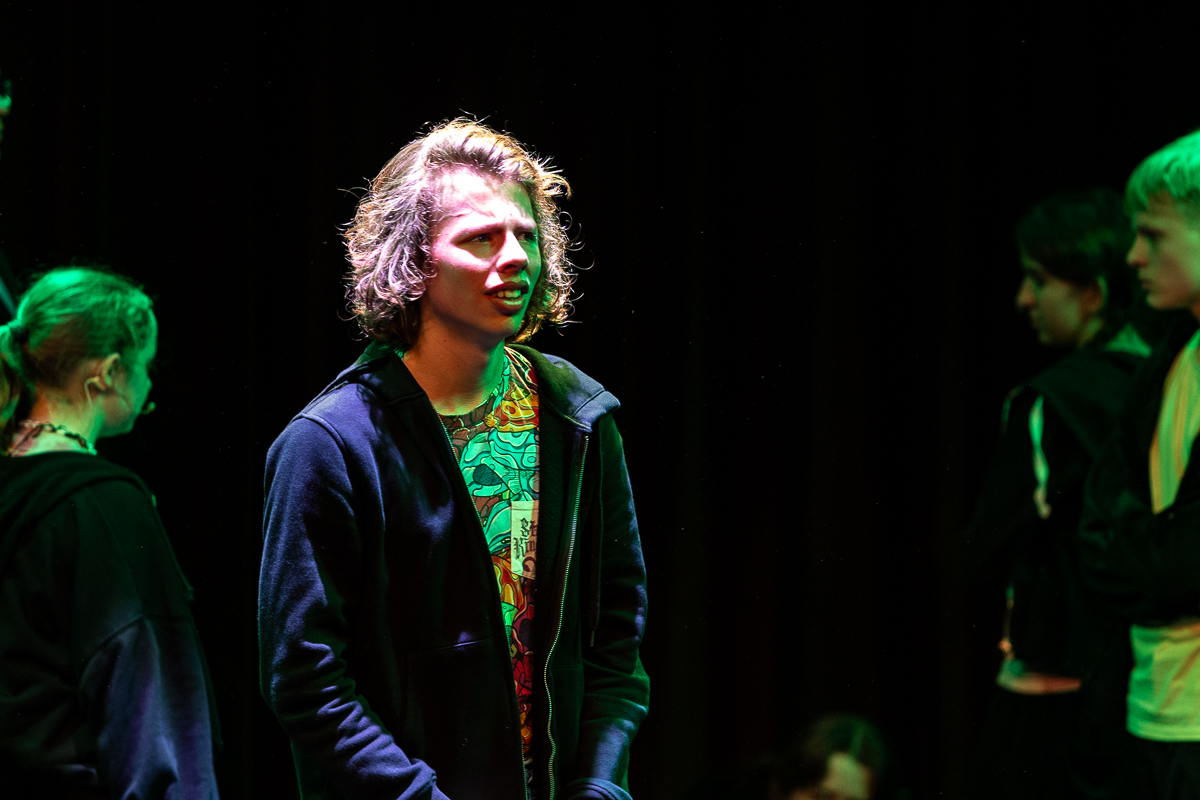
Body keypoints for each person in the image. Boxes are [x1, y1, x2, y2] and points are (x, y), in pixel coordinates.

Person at [259, 119, 649, 800]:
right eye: (481, 238)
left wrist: (597, 785)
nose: (517, 257)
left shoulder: (578, 417)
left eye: (526, 235)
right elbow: (306, 679)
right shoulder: (330, 443)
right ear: (413, 261)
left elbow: (616, 640)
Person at [0, 267, 220, 797]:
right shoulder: (102, 504)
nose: (150, 385)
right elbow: (150, 707)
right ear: (108, 372)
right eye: (146, 365)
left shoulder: (18, 489)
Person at [964, 189, 1149, 799]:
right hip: (1148, 692)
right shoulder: (1170, 385)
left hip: (1051, 700)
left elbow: (986, 550)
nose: (1024, 299)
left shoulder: (1053, 402)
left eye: (1039, 280)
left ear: (1093, 292)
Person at [1080, 130, 1200, 799]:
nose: (1133, 256)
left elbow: (1181, 564)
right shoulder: (1170, 358)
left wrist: (1152, 559)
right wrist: (1154, 559)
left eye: (1153, 236)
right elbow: (1095, 536)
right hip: (1150, 708)